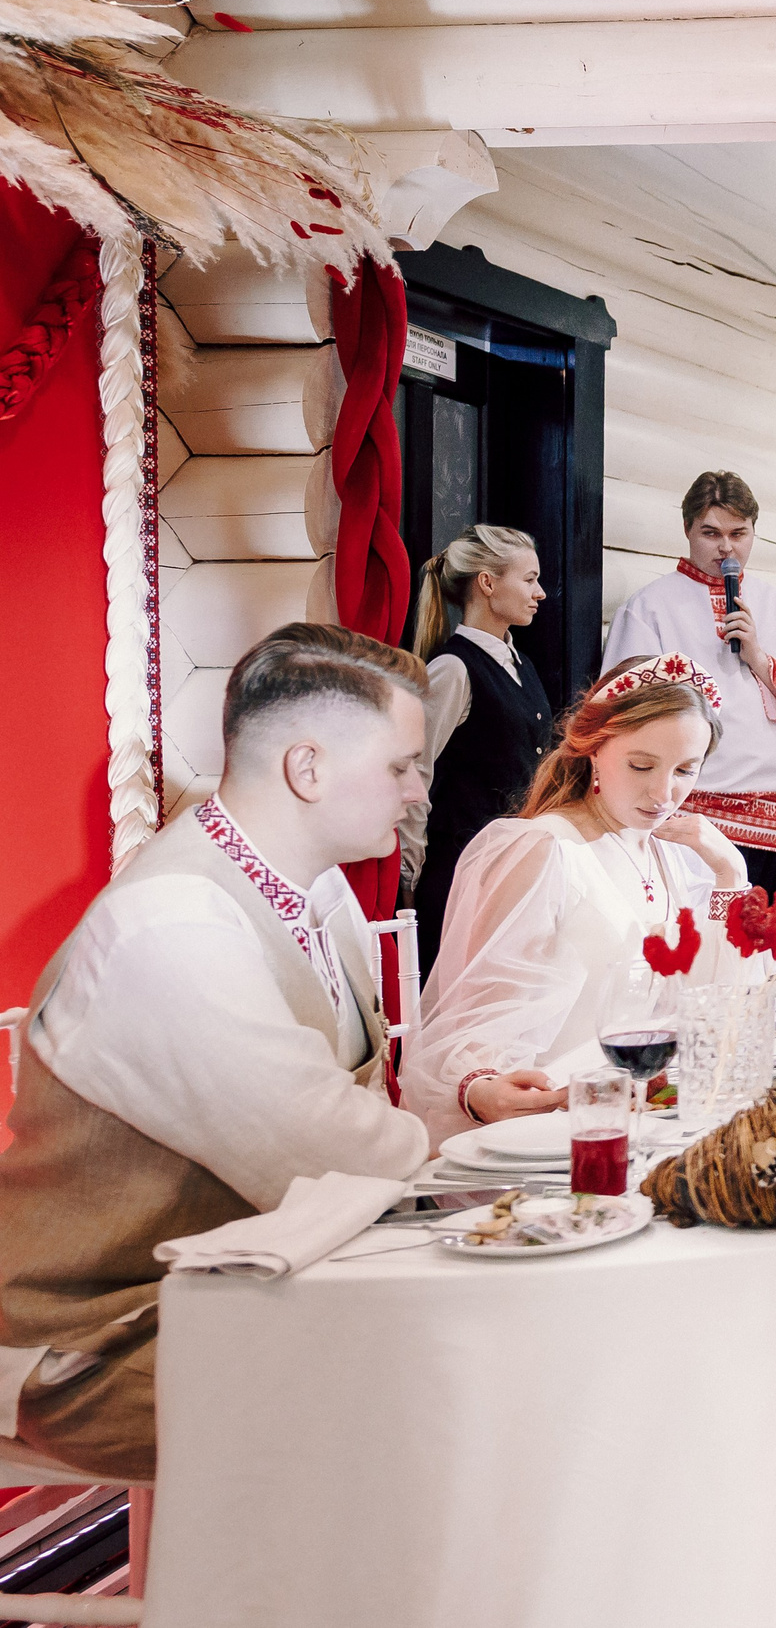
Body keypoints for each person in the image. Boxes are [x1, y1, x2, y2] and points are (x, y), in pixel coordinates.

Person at [0, 625, 432, 1480]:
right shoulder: (173, 924)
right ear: (306, 768)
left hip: (247, 1281)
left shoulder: (322, 887)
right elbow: (329, 1160)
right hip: (96, 1335)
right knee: (424, 1393)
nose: (417, 792)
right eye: (400, 766)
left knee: (463, 1349)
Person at [404, 653, 763, 1154]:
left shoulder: (668, 853)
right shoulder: (541, 849)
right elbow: (471, 1021)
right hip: (549, 1137)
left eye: (686, 770)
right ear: (593, 749)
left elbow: (720, 1012)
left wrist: (731, 873)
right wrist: (478, 1087)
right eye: (641, 765)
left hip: (644, 1128)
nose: (664, 793)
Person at [602, 471, 776, 897]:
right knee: (695, 941)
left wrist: (760, 660)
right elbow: (621, 709)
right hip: (686, 807)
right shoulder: (649, 607)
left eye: (738, 533)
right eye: (710, 533)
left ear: (752, 533)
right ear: (687, 529)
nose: (726, 547)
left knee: (765, 944)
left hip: (770, 810)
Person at [402, 524, 552, 972]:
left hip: (514, 867)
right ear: (487, 583)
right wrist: (409, 874)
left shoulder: (520, 663)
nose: (540, 592)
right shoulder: (452, 668)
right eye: (528, 579)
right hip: (463, 874)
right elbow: (415, 772)